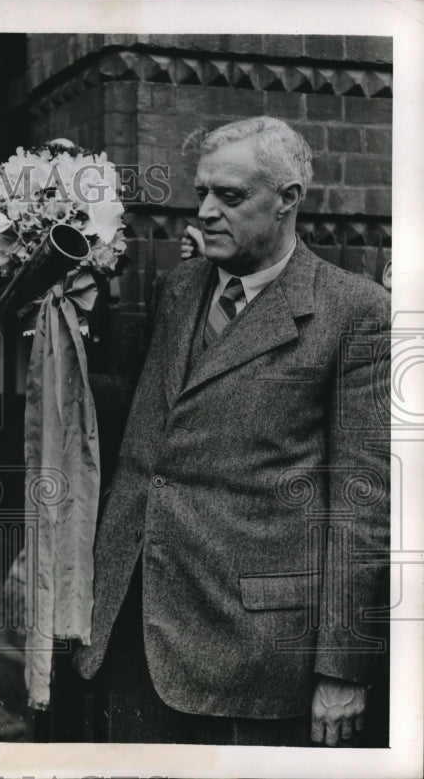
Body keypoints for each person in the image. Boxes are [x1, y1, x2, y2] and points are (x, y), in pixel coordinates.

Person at [74, 117, 390, 747]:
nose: (207, 212)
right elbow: (151, 440)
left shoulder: (352, 311)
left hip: (257, 648)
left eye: (232, 197)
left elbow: (365, 506)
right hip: (134, 619)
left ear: (289, 199)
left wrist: (342, 667)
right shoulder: (182, 287)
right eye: (203, 194)